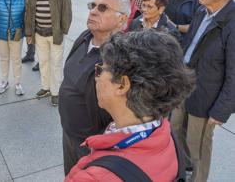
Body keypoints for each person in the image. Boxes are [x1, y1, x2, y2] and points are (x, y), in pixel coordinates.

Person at [65, 30, 195, 181]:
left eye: (100, 70)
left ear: (122, 85)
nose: (97, 78)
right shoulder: (165, 131)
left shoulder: (94, 178)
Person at [59, 0, 130, 175]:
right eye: (93, 5)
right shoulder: (84, 37)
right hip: (69, 132)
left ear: (122, 19)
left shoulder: (121, 56)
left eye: (103, 7)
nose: (93, 11)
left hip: (93, 143)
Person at [176, 0, 235, 182]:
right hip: (184, 84)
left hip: (206, 96)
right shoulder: (202, 11)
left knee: (198, 145)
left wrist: (221, 110)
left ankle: (198, 179)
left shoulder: (232, 22)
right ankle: (184, 169)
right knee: (174, 129)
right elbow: (189, 44)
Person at [25, 0, 72, 106]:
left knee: (56, 63)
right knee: (43, 61)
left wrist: (63, 30)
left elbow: (67, 11)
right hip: (39, 33)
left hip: (55, 34)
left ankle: (56, 92)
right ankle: (45, 88)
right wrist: (29, 33)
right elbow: (30, 12)